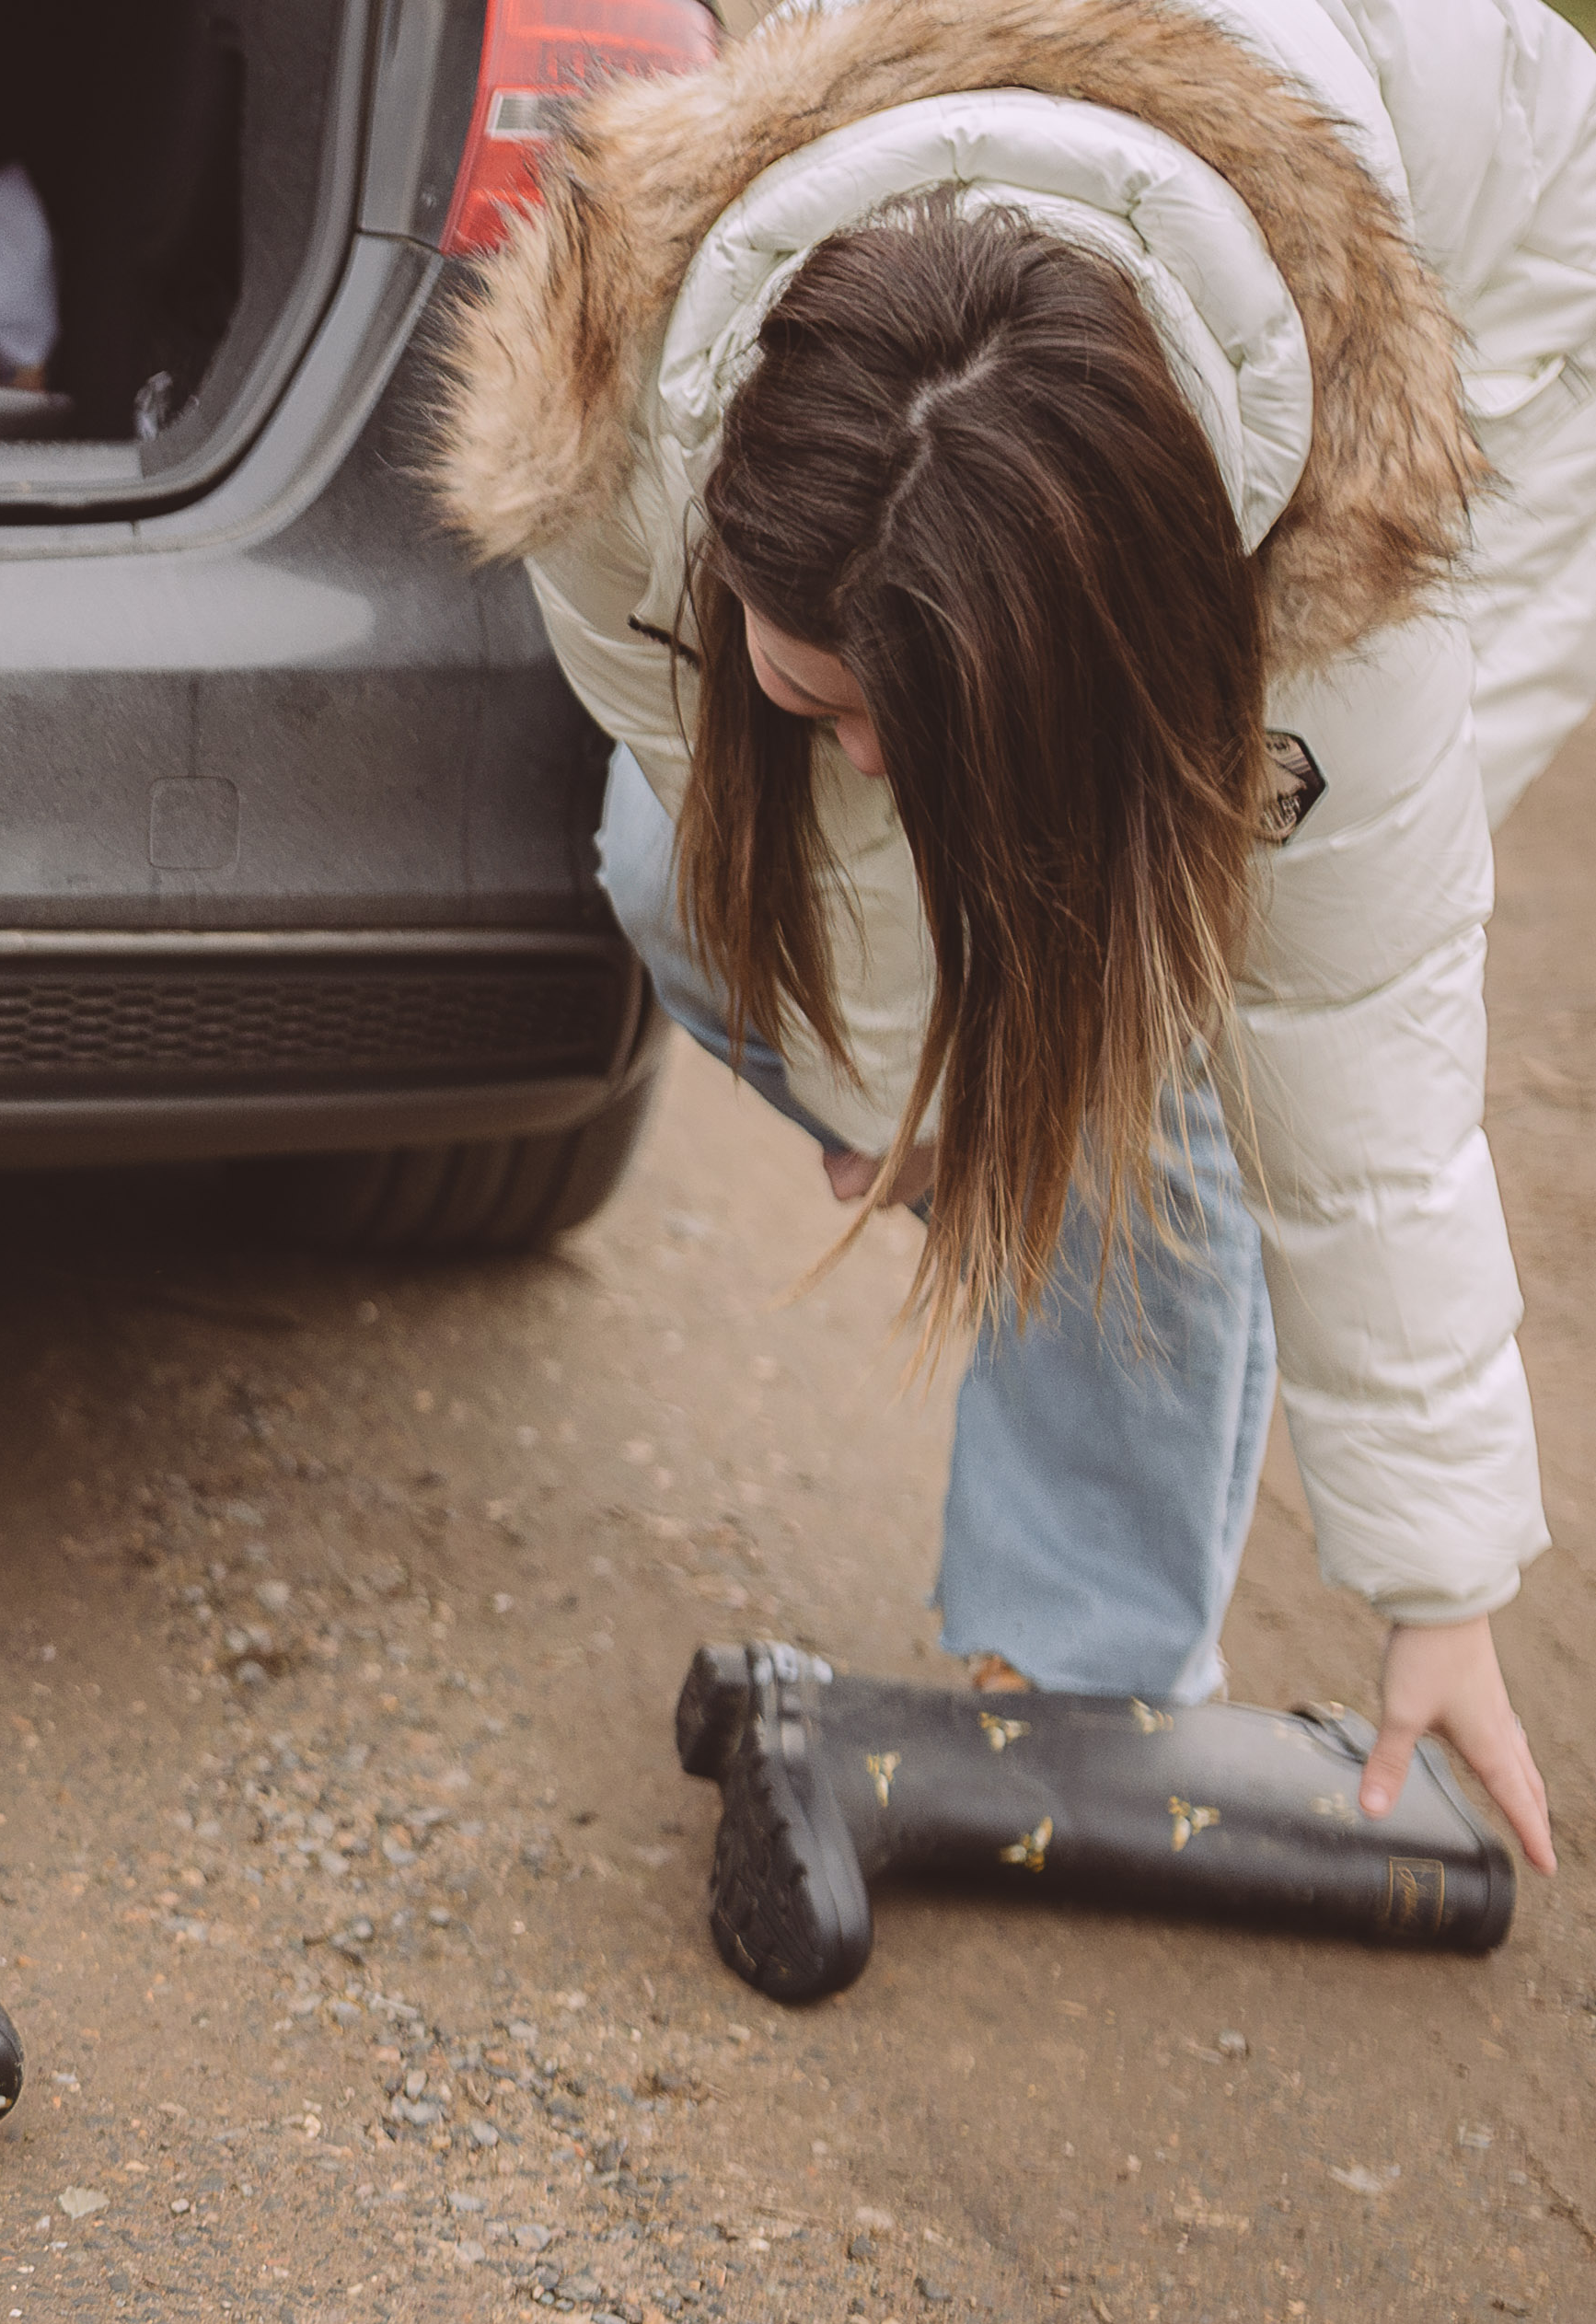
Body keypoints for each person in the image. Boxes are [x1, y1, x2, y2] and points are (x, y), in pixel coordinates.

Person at [434, 0, 1596, 1874]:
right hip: (1080, 316)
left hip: (1513, 334)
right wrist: (900, 1097)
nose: (857, 762)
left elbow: (1360, 1049)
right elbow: (761, 814)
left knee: (1164, 998)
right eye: (816, 692)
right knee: (672, 872)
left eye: (903, 725)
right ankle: (1042, 1194)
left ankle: (1082, 1669)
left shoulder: (1332, 571)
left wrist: (1437, 1588)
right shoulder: (615, 421)